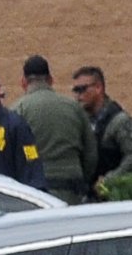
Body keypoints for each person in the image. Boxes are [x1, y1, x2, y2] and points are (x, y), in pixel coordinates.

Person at [10, 54, 96, 204]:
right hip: (72, 190)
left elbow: (11, 156)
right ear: (50, 80)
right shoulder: (74, 108)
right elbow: (91, 155)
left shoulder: (18, 110)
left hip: (35, 192)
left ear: (23, 82)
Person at [73, 65, 132, 190]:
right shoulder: (84, 121)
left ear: (98, 88)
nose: (78, 96)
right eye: (76, 90)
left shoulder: (119, 121)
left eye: (82, 89)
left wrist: (111, 179)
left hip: (117, 194)